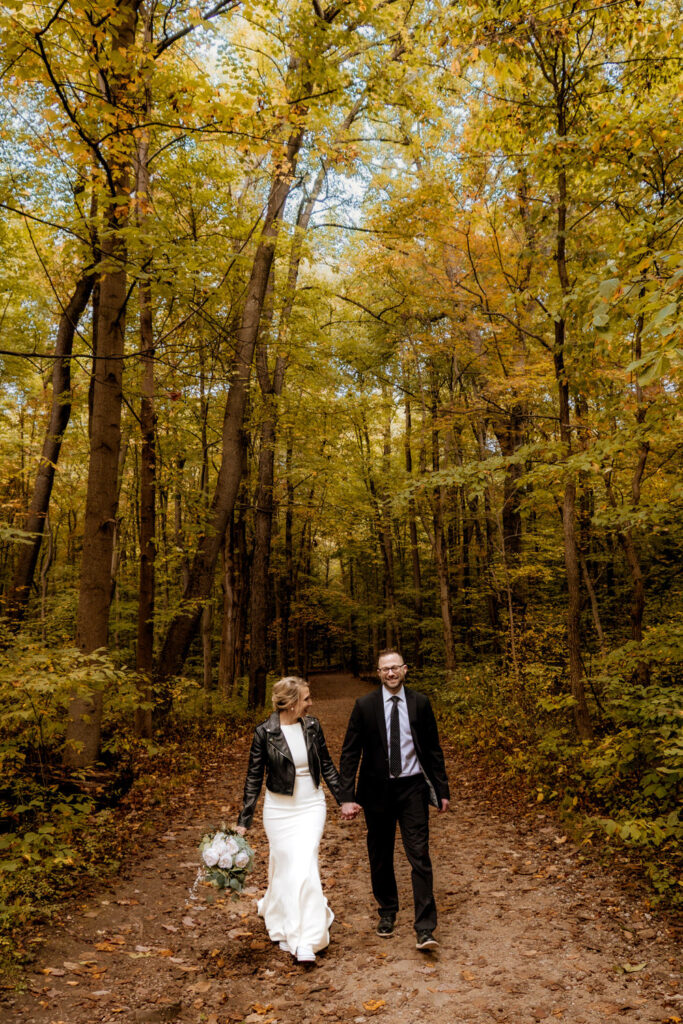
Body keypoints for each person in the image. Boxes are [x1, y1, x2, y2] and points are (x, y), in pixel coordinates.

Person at [338, 649, 450, 950]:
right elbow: (350, 752)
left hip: (413, 788)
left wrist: (442, 790)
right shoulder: (364, 705)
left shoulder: (420, 703)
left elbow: (433, 749)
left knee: (419, 855)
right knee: (380, 854)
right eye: (385, 669)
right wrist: (346, 796)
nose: (390, 673)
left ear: (405, 670)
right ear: (378, 673)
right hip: (376, 791)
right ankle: (387, 911)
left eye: (395, 667)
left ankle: (425, 927)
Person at [236, 677, 341, 963]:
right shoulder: (264, 733)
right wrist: (244, 820)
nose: (311, 703)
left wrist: (344, 798)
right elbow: (254, 777)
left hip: (311, 806)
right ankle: (281, 914)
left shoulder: (313, 726)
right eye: (306, 699)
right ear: (292, 703)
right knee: (285, 867)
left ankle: (306, 939)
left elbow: (327, 765)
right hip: (279, 810)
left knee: (304, 865)